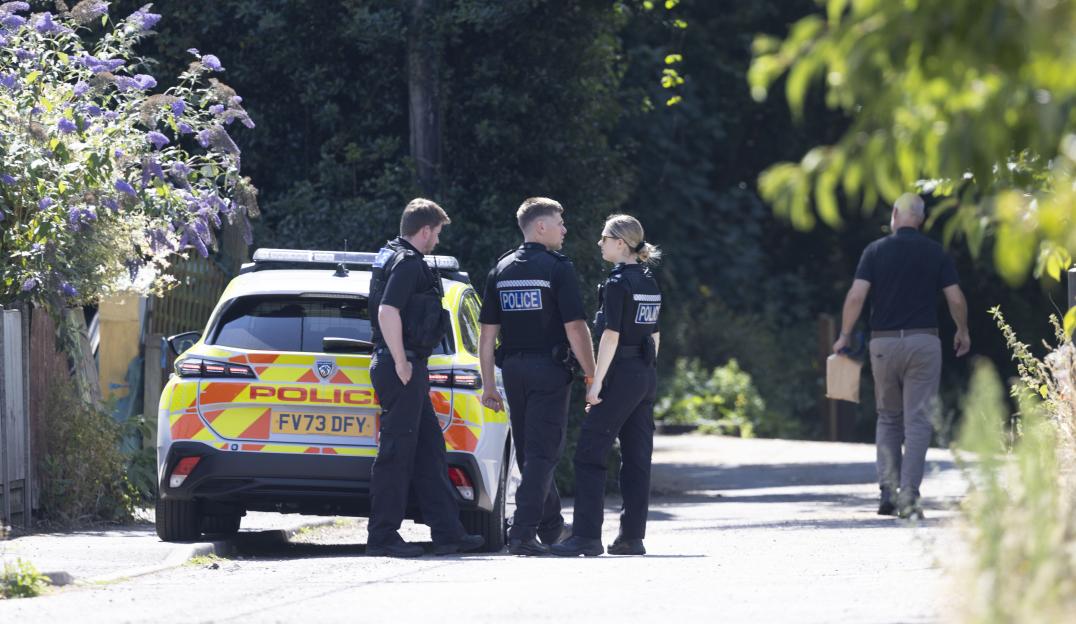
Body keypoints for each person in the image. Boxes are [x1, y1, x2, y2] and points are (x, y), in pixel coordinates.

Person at [832, 193, 971, 520]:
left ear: (895, 214)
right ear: (921, 219)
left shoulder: (875, 251)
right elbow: (955, 298)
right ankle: (909, 494)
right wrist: (962, 330)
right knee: (918, 421)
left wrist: (845, 335)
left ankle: (887, 491)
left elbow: (856, 296)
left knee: (889, 418)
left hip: (883, 345)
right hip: (924, 343)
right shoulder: (935, 252)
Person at [478, 197, 597, 556]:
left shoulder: (502, 269)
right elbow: (575, 327)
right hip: (548, 369)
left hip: (513, 371)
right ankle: (523, 532)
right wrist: (593, 374)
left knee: (531, 453)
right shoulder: (557, 269)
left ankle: (550, 527)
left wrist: (488, 384)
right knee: (543, 453)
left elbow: (486, 336)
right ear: (540, 227)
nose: (564, 229)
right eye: (559, 222)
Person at [366, 198, 484, 557]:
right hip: (401, 366)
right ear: (425, 230)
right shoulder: (408, 263)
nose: (438, 240)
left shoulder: (390, 254)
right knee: (396, 454)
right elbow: (388, 311)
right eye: (437, 233)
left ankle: (448, 533)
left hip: (404, 365)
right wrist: (402, 361)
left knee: (430, 451)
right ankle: (382, 537)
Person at [552, 214, 662, 557]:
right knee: (637, 457)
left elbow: (610, 336)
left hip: (621, 373)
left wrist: (596, 384)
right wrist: (646, 374)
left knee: (589, 453)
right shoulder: (648, 280)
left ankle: (586, 536)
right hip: (645, 373)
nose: (599, 243)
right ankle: (632, 537)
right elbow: (656, 334)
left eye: (604, 238)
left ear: (620, 243)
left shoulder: (617, 284)